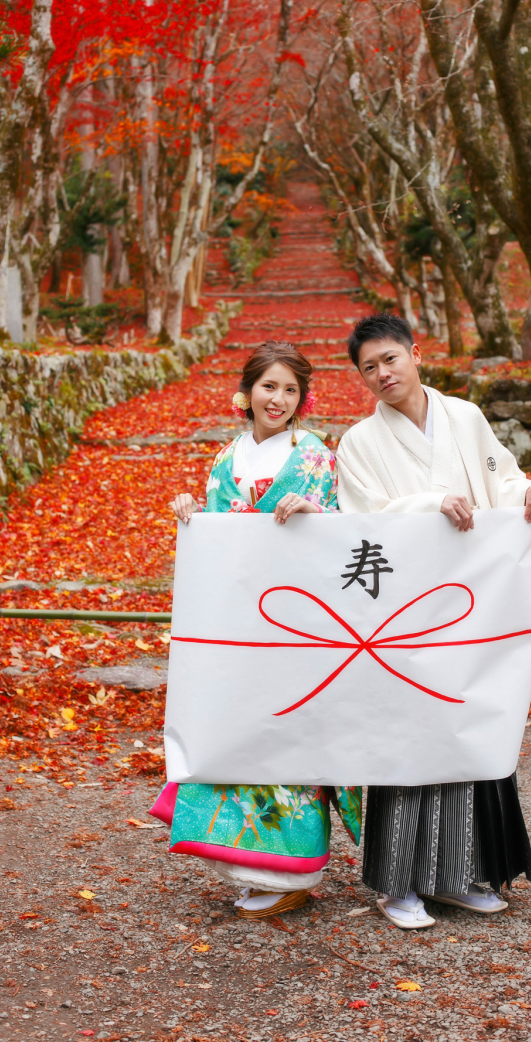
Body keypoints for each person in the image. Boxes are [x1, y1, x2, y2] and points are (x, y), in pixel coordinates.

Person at [336, 313, 531, 930]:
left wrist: (528, 493)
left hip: (471, 599)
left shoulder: (464, 416)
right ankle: (397, 885)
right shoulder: (358, 444)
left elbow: (502, 481)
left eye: (390, 359)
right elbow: (364, 523)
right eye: (369, 368)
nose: (382, 374)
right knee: (410, 737)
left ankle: (459, 877)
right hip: (403, 611)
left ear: (415, 355)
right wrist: (430, 504)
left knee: (469, 727)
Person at [153, 341, 361, 921]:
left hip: (299, 623)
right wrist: (191, 509)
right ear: (248, 392)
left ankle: (294, 869)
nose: (279, 399)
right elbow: (218, 531)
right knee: (239, 736)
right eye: (269, 386)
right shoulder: (226, 459)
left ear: (303, 399)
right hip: (240, 621)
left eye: (291, 390)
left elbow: (349, 534)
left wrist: (317, 516)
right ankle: (246, 863)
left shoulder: (317, 456)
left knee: (289, 744)